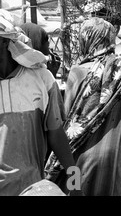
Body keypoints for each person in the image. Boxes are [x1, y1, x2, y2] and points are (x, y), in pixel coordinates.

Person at [45, 17, 121, 196]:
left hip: (80, 156)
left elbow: (66, 119)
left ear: (86, 39)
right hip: (116, 153)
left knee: (75, 191)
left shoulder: (78, 71)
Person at [0, 10, 78, 196]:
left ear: (4, 41)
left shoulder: (42, 79)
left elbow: (57, 135)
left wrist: (76, 184)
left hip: (31, 189)